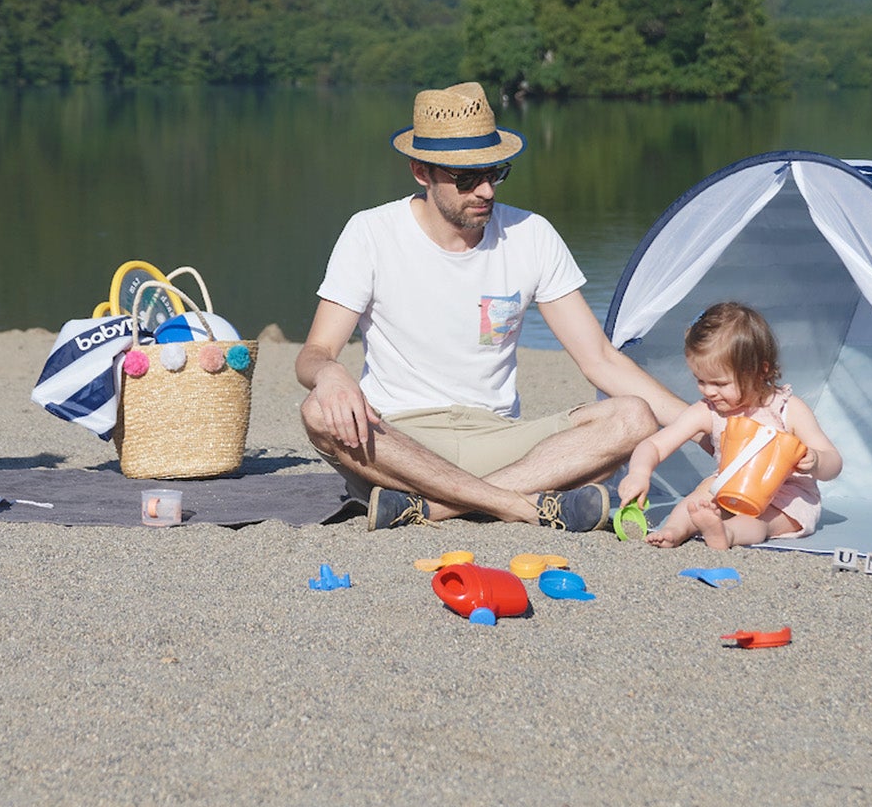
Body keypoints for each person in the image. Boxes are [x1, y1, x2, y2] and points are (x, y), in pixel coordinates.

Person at [296, 82, 687, 530]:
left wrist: (711, 426)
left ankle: (440, 509)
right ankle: (521, 506)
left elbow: (600, 360)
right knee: (316, 411)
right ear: (421, 172)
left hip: (500, 438)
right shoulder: (370, 233)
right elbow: (314, 355)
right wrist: (331, 375)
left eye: (495, 173)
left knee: (632, 416)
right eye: (465, 179)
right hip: (399, 441)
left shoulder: (532, 234)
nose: (485, 190)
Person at [618, 301, 842, 550]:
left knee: (761, 522)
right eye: (700, 380)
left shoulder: (789, 409)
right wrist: (639, 472)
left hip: (786, 496)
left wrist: (817, 461)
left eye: (720, 383)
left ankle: (726, 533)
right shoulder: (708, 411)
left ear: (760, 371)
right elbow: (656, 445)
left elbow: (834, 462)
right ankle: (674, 531)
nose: (708, 391)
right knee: (696, 501)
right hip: (728, 486)